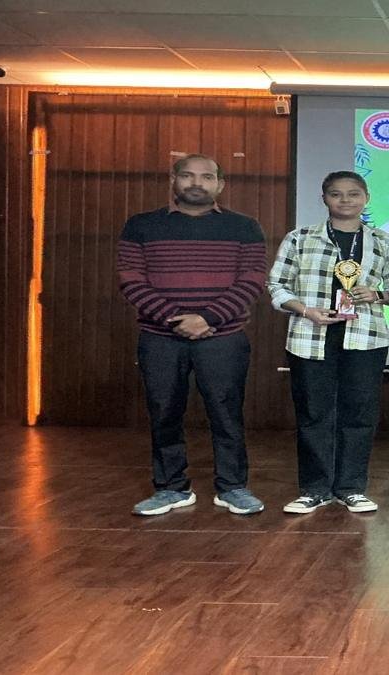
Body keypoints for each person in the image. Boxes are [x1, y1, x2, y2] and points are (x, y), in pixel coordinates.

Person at [118, 154, 267, 516]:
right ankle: (171, 488)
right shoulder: (141, 225)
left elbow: (252, 280)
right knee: (164, 412)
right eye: (187, 176)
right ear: (174, 180)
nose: (196, 183)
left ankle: (232, 487)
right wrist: (176, 320)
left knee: (226, 413)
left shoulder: (244, 227)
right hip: (160, 337)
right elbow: (131, 279)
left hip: (224, 336)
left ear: (220, 184)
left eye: (206, 177)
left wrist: (208, 318)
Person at [267, 171, 389, 514]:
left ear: (366, 198)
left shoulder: (383, 241)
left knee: (359, 414)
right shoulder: (300, 238)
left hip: (365, 338)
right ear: (324, 198)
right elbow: (276, 285)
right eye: (336, 194)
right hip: (309, 337)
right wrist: (305, 310)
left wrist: (377, 294)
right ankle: (314, 489)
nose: (345, 200)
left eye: (353, 194)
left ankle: (351, 488)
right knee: (313, 414)